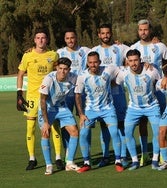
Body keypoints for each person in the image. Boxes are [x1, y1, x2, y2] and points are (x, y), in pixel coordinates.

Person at [16, 28, 63, 170]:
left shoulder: (53, 55)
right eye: (38, 38)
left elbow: (58, 73)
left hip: (49, 97)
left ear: (47, 39)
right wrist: (19, 93)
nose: (41, 40)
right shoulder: (27, 56)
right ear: (34, 40)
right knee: (30, 127)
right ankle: (32, 158)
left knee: (54, 126)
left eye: (43, 37)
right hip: (32, 97)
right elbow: (20, 74)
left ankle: (58, 158)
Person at [130, 19, 167, 166]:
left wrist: (166, 76)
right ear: (138, 31)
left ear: (150, 30)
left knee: (160, 125)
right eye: (141, 30)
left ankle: (161, 153)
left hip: (159, 91)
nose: (143, 32)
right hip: (141, 93)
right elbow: (128, 64)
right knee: (142, 124)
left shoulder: (159, 46)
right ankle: (145, 153)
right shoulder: (134, 47)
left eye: (146, 29)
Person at [75, 51, 124, 173]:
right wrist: (81, 114)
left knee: (114, 132)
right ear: (87, 63)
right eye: (90, 63)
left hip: (108, 109)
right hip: (90, 110)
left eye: (95, 62)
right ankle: (87, 162)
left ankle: (118, 160)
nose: (93, 65)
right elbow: (77, 95)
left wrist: (144, 64)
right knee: (83, 133)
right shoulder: (82, 76)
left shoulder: (108, 70)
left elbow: (122, 70)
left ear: (100, 62)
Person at [91, 23, 129, 167]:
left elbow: (136, 56)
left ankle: (123, 155)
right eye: (103, 33)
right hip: (101, 97)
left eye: (108, 33)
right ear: (99, 35)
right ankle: (106, 155)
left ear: (111, 33)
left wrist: (154, 40)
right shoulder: (94, 50)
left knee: (121, 125)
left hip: (118, 94)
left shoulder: (121, 48)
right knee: (104, 126)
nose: (105, 35)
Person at [115, 49, 161, 170]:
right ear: (127, 62)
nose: (133, 63)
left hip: (152, 106)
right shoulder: (123, 73)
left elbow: (160, 84)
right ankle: (135, 160)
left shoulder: (151, 71)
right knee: (128, 132)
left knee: (157, 132)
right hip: (134, 108)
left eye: (136, 60)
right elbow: (115, 82)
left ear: (140, 60)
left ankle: (155, 160)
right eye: (130, 61)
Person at [38, 57, 80, 175]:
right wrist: (46, 122)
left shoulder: (73, 77)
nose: (62, 71)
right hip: (47, 107)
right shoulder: (48, 79)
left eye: (65, 69)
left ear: (69, 70)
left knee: (75, 131)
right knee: (46, 133)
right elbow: (42, 100)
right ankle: (49, 165)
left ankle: (69, 163)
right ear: (56, 68)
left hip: (62, 107)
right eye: (60, 68)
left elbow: (79, 92)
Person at [57, 28, 91, 160]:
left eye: (72, 37)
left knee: (85, 122)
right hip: (66, 94)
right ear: (64, 40)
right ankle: (68, 151)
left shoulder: (85, 51)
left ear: (76, 38)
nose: (70, 40)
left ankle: (86, 153)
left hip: (82, 93)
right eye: (67, 38)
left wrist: (116, 44)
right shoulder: (60, 52)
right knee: (67, 123)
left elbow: (101, 53)